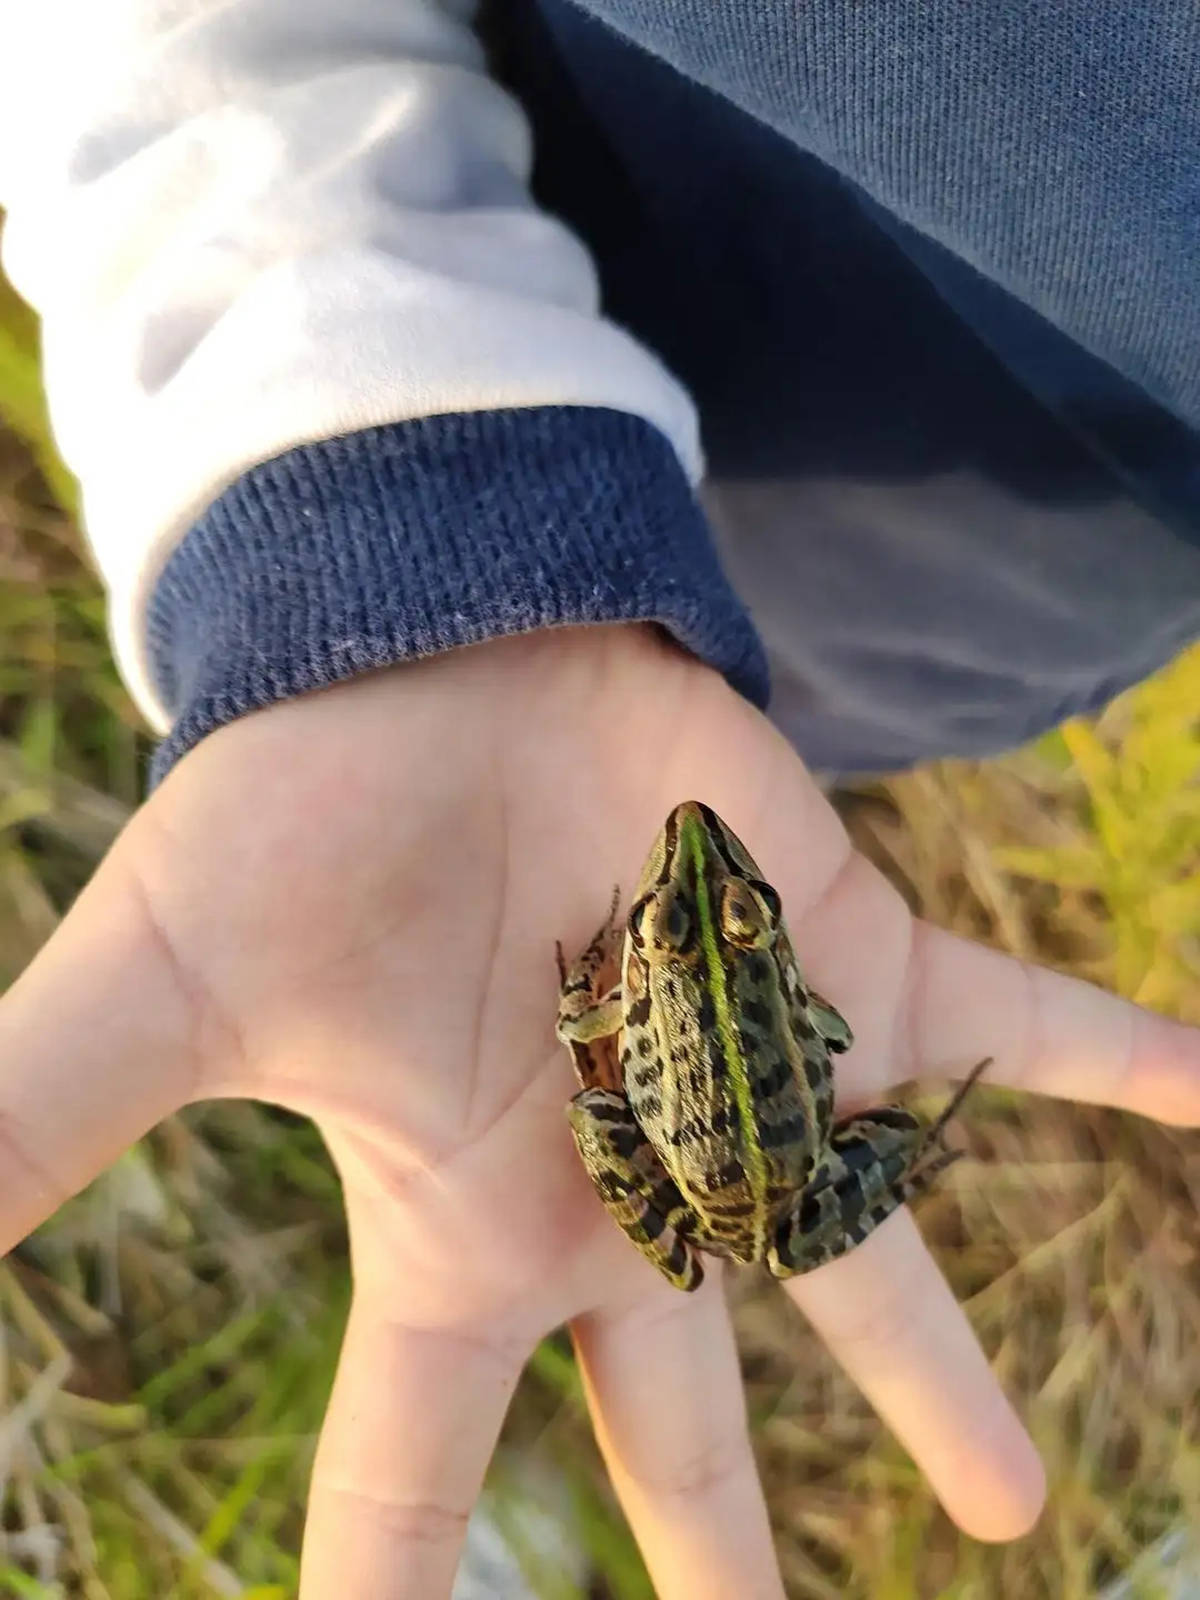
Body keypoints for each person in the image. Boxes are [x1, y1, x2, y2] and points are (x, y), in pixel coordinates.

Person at [1, 2, 1199, 1595]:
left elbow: (699, 1042)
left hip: (1024, 571)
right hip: (625, 404)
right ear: (752, 933)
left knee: (843, 724)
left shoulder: (673, 976)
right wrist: (383, 504)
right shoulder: (718, 961)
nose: (703, 883)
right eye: (735, 909)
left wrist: (628, 1024)